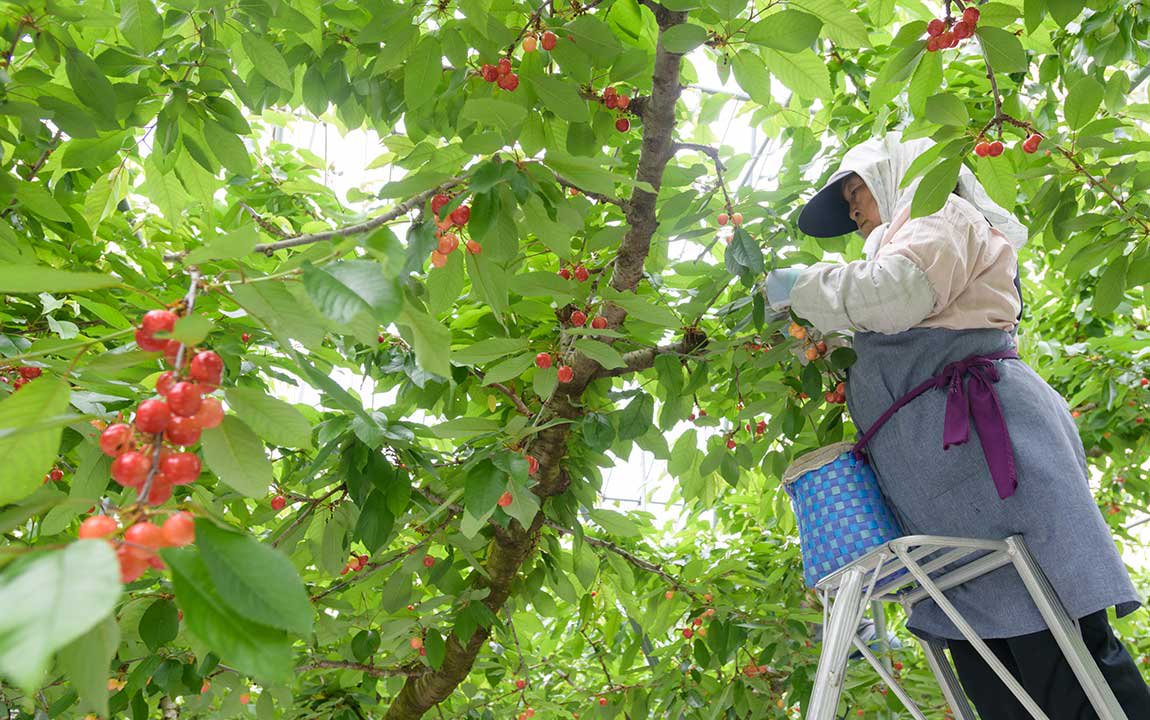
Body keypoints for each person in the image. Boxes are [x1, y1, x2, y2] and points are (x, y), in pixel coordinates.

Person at [764, 132, 1150, 719]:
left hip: (995, 471)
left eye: (856, 191)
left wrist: (804, 286)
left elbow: (900, 291)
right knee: (998, 684)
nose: (853, 210)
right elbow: (867, 315)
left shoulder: (937, 209)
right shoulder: (889, 253)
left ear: (893, 173)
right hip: (949, 503)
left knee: (1065, 658)